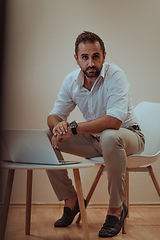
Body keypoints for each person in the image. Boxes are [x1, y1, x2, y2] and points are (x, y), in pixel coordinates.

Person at [46, 31, 145, 238]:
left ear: (104, 56)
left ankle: (116, 210)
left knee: (109, 135)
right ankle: (72, 200)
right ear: (77, 59)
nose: (90, 62)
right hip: (96, 140)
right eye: (85, 57)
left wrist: (73, 128)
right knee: (47, 137)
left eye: (95, 56)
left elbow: (114, 122)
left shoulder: (115, 75)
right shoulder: (71, 81)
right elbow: (54, 115)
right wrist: (59, 127)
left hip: (128, 136)